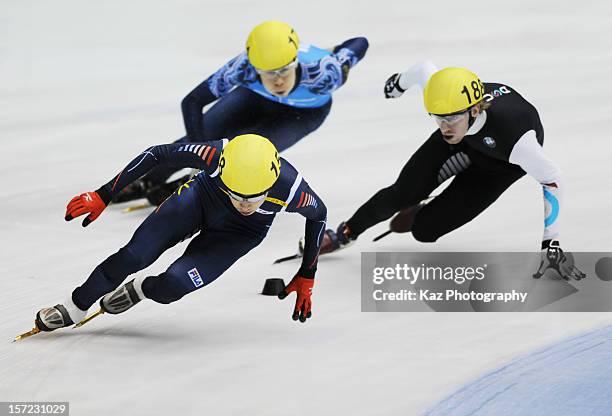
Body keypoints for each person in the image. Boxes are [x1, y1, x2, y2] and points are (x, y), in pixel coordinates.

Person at [32, 134, 327, 335]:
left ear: (272, 184)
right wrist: (104, 193)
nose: (245, 204)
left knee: (172, 287)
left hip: (240, 233)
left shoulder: (292, 189)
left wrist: (307, 274)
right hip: (201, 199)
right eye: (237, 195)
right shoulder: (214, 154)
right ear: (222, 171)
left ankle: (142, 289)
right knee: (134, 255)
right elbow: (157, 154)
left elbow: (319, 215)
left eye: (254, 198)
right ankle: (75, 306)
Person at [322, 65, 583, 280]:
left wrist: (551, 243)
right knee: (401, 194)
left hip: (499, 167)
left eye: (450, 119)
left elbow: (553, 180)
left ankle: (421, 211)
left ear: (475, 110)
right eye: (437, 118)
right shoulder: (449, 104)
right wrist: (399, 84)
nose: (444, 126)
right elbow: (425, 69)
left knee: (424, 232)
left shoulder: (519, 141)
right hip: (465, 144)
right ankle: (345, 233)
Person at [116, 20, 369, 204]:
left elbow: (360, 43)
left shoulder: (325, 72)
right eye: (269, 73)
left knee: (247, 152)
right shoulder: (244, 68)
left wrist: (337, 52)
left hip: (303, 114)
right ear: (255, 67)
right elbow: (192, 101)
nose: (278, 81)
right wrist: (198, 153)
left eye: (284, 70)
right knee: (206, 136)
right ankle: (151, 178)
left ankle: (197, 185)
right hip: (255, 98)